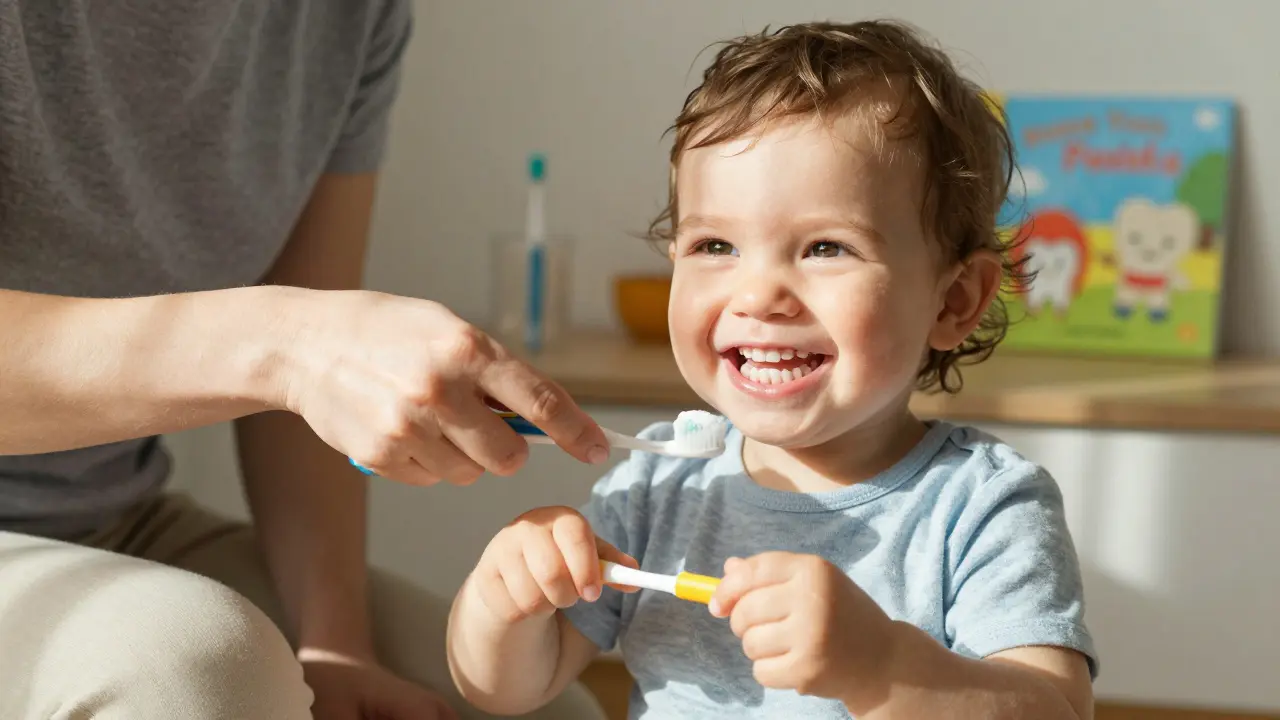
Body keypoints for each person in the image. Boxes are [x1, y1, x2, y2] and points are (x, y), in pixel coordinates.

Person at [446, 19, 1099, 719]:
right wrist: (499, 601)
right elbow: (504, 689)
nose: (757, 295)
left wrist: (883, 668)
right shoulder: (660, 488)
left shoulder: (981, 508)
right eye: (716, 244)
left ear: (955, 299)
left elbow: (1054, 710)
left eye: (825, 248)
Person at [0, 2, 609, 719]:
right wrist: (287, 342)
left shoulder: (348, 19)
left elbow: (309, 392)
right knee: (193, 675)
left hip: (114, 513)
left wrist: (337, 648)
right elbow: (299, 351)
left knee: (550, 708)